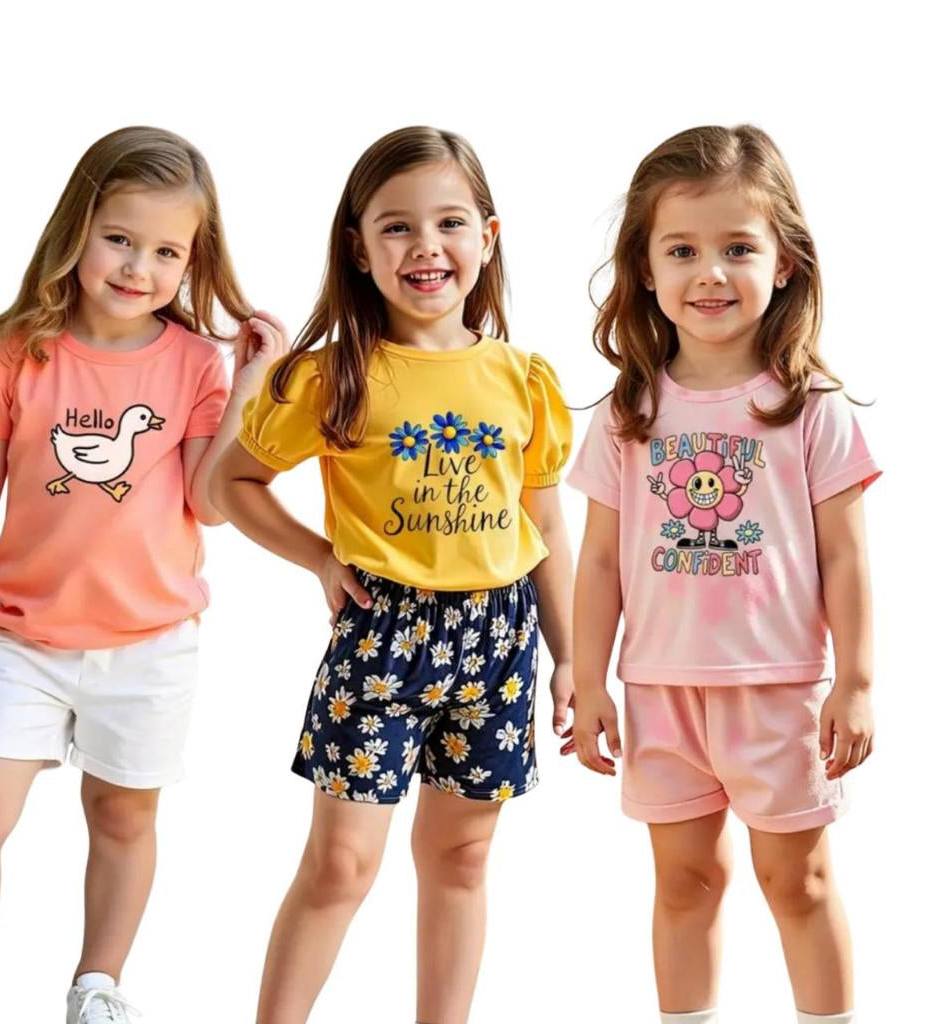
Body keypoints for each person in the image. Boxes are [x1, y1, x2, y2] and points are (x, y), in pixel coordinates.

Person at [0, 126, 287, 1024]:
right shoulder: (22, 350)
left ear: (193, 260)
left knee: (122, 817)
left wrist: (247, 386)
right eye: (120, 238)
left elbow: (209, 503)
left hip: (150, 643)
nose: (137, 267)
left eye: (166, 251)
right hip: (25, 639)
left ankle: (97, 986)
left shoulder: (195, 364)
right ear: (78, 229)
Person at [212, 125, 573, 1024]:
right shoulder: (334, 377)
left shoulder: (522, 379)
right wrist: (317, 557)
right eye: (397, 227)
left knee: (461, 858)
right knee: (341, 864)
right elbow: (233, 484)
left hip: (498, 641)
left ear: (487, 238)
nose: (425, 247)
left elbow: (544, 525)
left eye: (449, 223)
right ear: (359, 248)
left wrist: (573, 657)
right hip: (383, 636)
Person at [566, 124, 879, 1024]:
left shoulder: (808, 407)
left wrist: (855, 683)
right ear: (646, 268)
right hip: (661, 690)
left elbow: (847, 555)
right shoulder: (628, 412)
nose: (710, 273)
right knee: (684, 884)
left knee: (798, 881)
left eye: (738, 248)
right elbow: (598, 560)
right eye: (682, 251)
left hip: (777, 689)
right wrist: (590, 680)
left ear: (785, 263)